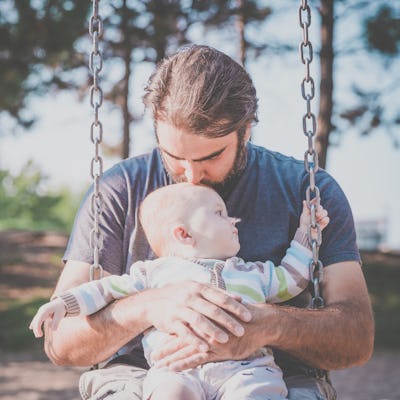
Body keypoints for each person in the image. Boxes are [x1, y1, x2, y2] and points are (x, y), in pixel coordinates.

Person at [44, 45, 374, 400]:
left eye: (210, 156)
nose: (190, 175)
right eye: (174, 156)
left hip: (265, 373)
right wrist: (150, 305)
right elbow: (60, 340)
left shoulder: (306, 189)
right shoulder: (119, 189)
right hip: (148, 374)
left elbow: (356, 337)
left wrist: (266, 324)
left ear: (246, 130)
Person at [31, 183, 330, 400]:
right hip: (176, 370)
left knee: (257, 394)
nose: (233, 220)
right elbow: (104, 290)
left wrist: (306, 234)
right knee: (168, 394)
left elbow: (291, 278)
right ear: (184, 234)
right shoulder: (152, 274)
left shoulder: (253, 272)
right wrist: (63, 303)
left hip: (247, 368)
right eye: (219, 213)